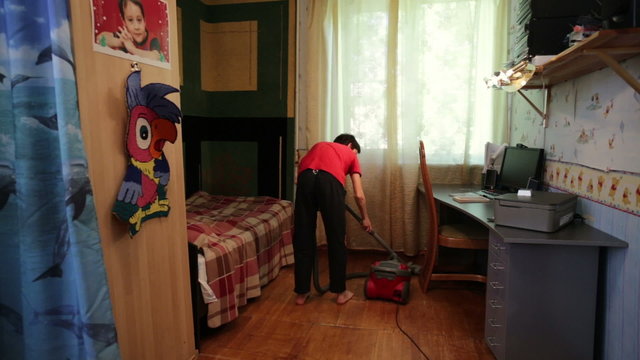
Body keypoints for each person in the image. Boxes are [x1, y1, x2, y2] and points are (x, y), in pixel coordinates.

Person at [293, 134, 372, 305]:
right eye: (356, 153)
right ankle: (341, 292)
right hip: (330, 183)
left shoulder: (319, 145)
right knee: (336, 239)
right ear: (350, 145)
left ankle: (301, 293)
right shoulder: (349, 153)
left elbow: (299, 173)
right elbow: (359, 194)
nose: (355, 156)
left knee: (303, 237)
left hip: (305, 180)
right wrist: (365, 218)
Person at [95, 0, 164, 62]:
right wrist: (122, 42)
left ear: (144, 21)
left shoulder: (153, 39)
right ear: (124, 22)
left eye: (139, 20)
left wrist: (132, 49)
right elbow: (99, 39)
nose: (136, 27)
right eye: (130, 20)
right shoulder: (125, 36)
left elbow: (156, 57)